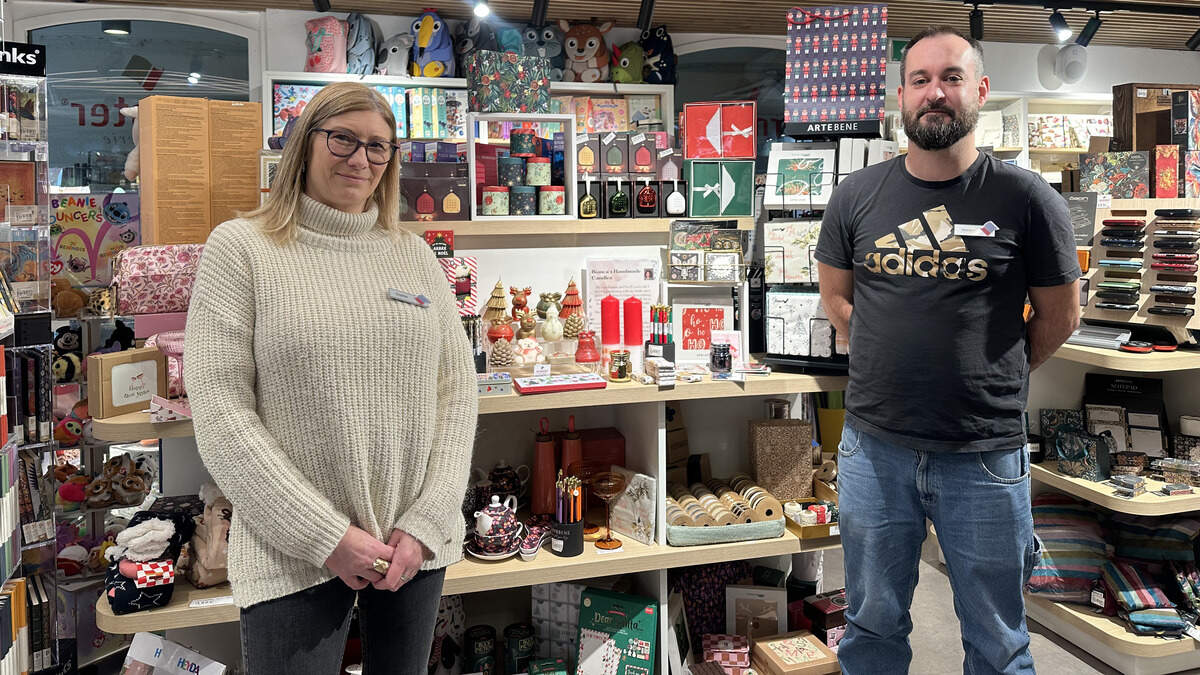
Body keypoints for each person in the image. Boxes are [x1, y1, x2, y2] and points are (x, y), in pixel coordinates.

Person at [184, 81, 478, 674]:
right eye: (343, 138)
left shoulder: (413, 254)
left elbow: (457, 392)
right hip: (292, 552)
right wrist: (326, 537)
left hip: (410, 550)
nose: (361, 159)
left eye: (378, 147)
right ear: (305, 143)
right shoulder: (242, 249)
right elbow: (220, 411)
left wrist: (425, 522)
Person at [815, 26, 1080, 675]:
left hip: (986, 457)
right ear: (902, 95)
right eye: (921, 79)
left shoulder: (1027, 199)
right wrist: (891, 358)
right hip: (875, 451)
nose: (935, 91)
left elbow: (1061, 315)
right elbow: (837, 299)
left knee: (999, 641)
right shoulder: (857, 195)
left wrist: (989, 374)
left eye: (952, 77)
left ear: (979, 90)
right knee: (870, 626)